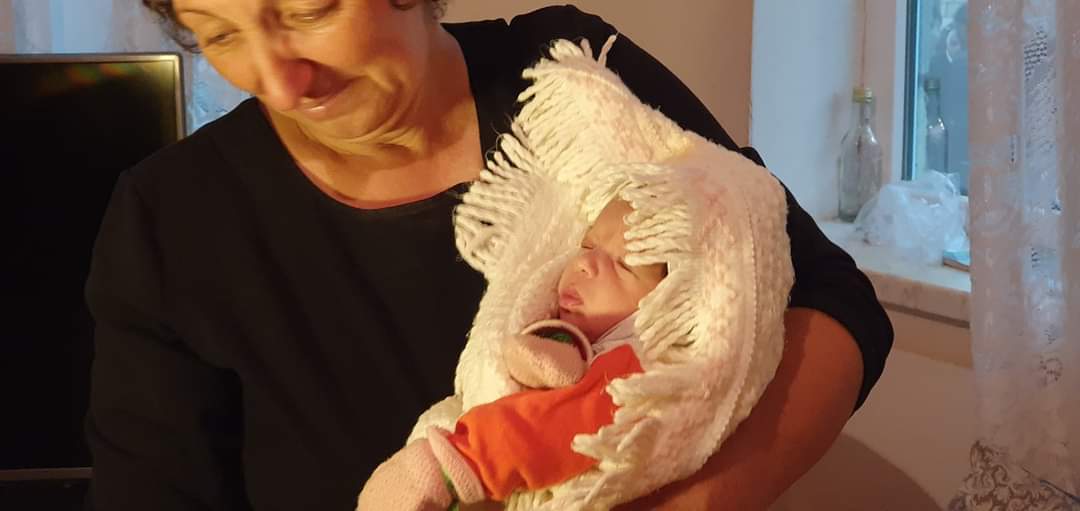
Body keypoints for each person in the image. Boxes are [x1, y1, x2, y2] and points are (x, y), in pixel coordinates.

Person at [86, 1, 894, 510]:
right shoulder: (170, 219)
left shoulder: (574, 85)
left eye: (310, 9)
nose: (278, 81)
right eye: (220, 33)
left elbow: (830, 298)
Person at [357, 199, 663, 509]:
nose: (585, 263)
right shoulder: (568, 333)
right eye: (587, 245)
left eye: (624, 264)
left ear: (671, 297)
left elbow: (561, 423)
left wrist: (459, 462)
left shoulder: (638, 370)